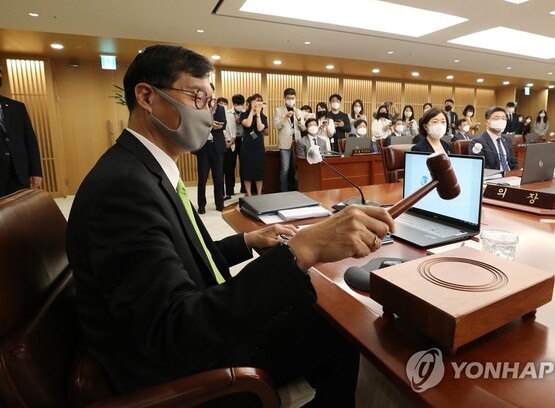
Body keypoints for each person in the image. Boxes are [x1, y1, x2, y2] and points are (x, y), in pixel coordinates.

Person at [66, 45, 394, 407]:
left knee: (325, 316)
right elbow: (175, 334)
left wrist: (247, 241)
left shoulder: (142, 169)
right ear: (146, 96)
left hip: (197, 338)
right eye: (198, 97)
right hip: (191, 372)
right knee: (344, 331)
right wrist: (303, 249)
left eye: (212, 101)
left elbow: (179, 259)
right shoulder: (123, 190)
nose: (209, 114)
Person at [0, 64, 43, 197]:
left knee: (19, 211)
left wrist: (36, 171)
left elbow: (30, 140)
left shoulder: (17, 107)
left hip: (18, 173)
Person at [193, 84, 226, 214]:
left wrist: (209, 124)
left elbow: (222, 125)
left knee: (218, 177)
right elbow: (197, 125)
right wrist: (211, 124)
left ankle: (219, 204)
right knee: (202, 178)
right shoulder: (198, 107)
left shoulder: (220, 108)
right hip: (203, 146)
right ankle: (201, 205)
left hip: (217, 145)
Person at [469, 106, 519, 170]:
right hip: (493, 178)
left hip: (510, 177)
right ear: (487, 122)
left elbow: (513, 163)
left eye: (503, 118)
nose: (501, 121)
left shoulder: (507, 140)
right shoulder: (478, 142)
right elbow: (479, 168)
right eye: (496, 118)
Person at [274, 88, 303, 192]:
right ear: (284, 98)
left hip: (297, 143)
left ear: (295, 98)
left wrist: (299, 119)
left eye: (293, 98)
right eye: (288, 98)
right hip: (285, 144)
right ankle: (284, 192)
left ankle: (298, 190)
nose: (291, 100)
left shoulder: (299, 111)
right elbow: (276, 126)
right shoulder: (279, 110)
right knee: (285, 169)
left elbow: (303, 128)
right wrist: (285, 117)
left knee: (298, 168)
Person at [241, 93, 268, 196]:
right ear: (251, 102)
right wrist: (252, 110)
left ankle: (259, 193)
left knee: (259, 170)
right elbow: (247, 124)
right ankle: (249, 194)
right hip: (247, 145)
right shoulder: (244, 114)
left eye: (260, 101)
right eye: (256, 101)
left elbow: (260, 128)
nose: (258, 103)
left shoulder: (263, 116)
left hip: (258, 145)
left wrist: (258, 114)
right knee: (247, 170)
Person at [230, 94, 246, 194]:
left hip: (243, 140)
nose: (239, 106)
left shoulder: (245, 113)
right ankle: (230, 188)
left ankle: (244, 187)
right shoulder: (228, 112)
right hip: (232, 140)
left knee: (243, 164)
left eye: (241, 104)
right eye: (237, 104)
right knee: (230, 165)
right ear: (234, 104)